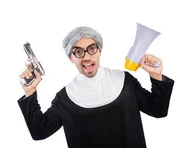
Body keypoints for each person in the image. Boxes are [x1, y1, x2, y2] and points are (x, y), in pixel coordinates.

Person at [17, 26, 174, 148]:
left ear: (99, 50)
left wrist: (156, 76)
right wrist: (30, 93)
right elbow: (40, 132)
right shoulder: (64, 98)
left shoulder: (125, 81)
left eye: (91, 49)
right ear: (70, 58)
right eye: (78, 52)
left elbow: (158, 110)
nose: (86, 57)